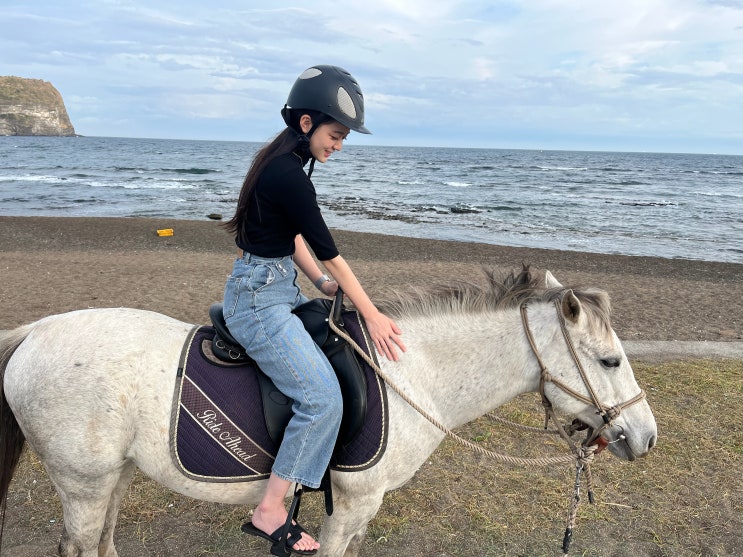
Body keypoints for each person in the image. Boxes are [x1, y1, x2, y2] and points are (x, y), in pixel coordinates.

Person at [222, 65, 406, 555]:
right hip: (259, 300)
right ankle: (269, 510)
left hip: (275, 282)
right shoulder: (289, 174)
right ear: (307, 123)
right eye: (336, 134)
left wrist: (319, 284)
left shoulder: (285, 163)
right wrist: (371, 312)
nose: (339, 146)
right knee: (322, 399)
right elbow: (329, 250)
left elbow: (292, 238)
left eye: (343, 138)